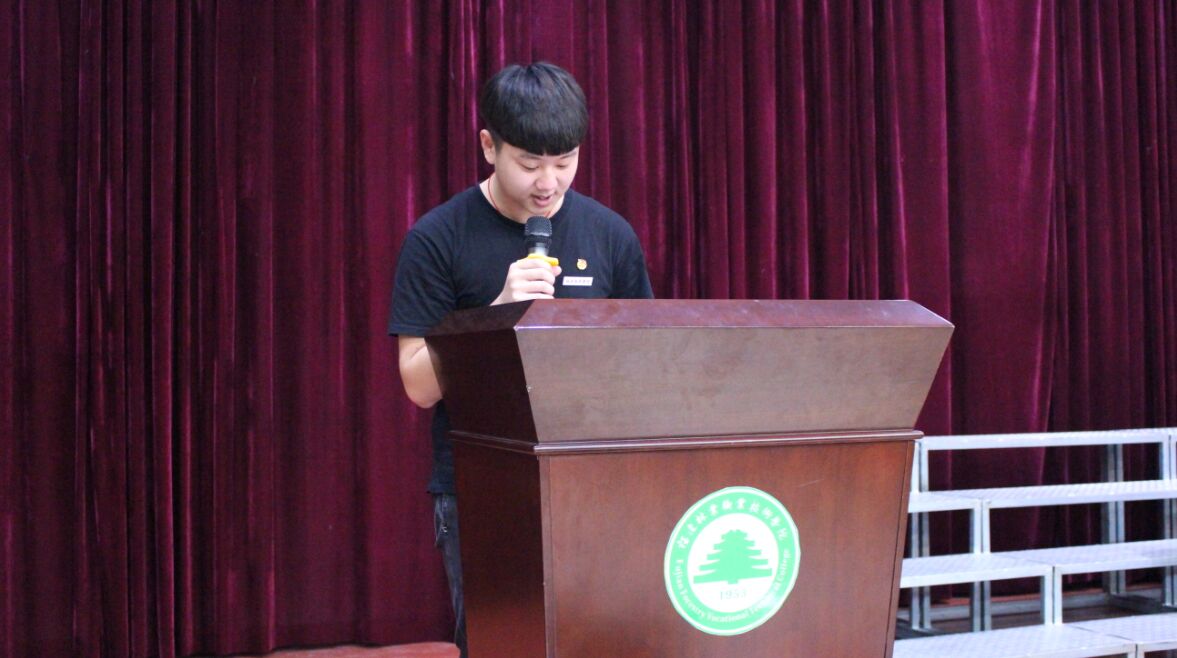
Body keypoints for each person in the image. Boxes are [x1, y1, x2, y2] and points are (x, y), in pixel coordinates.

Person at [387, 61, 654, 655]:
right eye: (530, 164)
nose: (548, 183)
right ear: (489, 146)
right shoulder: (437, 239)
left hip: (594, 477)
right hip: (480, 484)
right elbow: (418, 385)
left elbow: (644, 364)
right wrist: (496, 312)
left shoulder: (610, 236)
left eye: (565, 162)